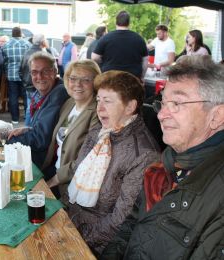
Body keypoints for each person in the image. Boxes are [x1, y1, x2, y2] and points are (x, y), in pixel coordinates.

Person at [101, 55, 224, 259]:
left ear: (217, 116)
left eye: (176, 103)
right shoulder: (163, 165)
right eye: (163, 102)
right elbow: (128, 229)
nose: (161, 114)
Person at [62, 70, 160, 256]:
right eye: (98, 100)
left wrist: (74, 237)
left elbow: (120, 221)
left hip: (97, 245)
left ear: (130, 107)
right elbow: (74, 178)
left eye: (107, 101)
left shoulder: (144, 155)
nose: (99, 108)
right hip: (71, 223)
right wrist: (59, 215)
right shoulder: (98, 133)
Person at [0, 52, 69, 167]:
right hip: (33, 155)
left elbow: (40, 139)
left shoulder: (58, 94)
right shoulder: (42, 93)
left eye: (45, 71)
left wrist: (4, 140)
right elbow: (42, 129)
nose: (39, 77)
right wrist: (26, 129)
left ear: (55, 72)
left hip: (40, 163)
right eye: (34, 72)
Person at [42, 60, 101, 195]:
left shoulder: (98, 112)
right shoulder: (69, 104)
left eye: (85, 80)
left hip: (72, 182)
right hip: (55, 168)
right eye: (73, 78)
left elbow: (86, 159)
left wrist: (52, 181)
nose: (78, 84)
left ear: (95, 83)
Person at [92, 11, 148, 80]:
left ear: (116, 22)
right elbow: (145, 60)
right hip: (132, 79)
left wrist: (104, 62)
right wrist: (142, 77)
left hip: (110, 78)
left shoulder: (105, 38)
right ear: (129, 23)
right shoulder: (139, 39)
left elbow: (94, 57)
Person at [20, 33, 52, 126]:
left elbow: (20, 70)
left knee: (29, 108)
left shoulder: (26, 52)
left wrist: (25, 82)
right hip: (39, 86)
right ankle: (31, 130)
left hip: (28, 85)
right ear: (43, 41)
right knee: (38, 109)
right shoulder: (44, 54)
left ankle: (27, 128)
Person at [2, 26, 31, 124]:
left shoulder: (6, 45)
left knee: (13, 96)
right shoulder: (27, 44)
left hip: (11, 74)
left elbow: (4, 61)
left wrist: (6, 70)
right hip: (25, 74)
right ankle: (27, 117)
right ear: (21, 33)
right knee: (26, 96)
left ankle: (15, 119)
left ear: (12, 33)